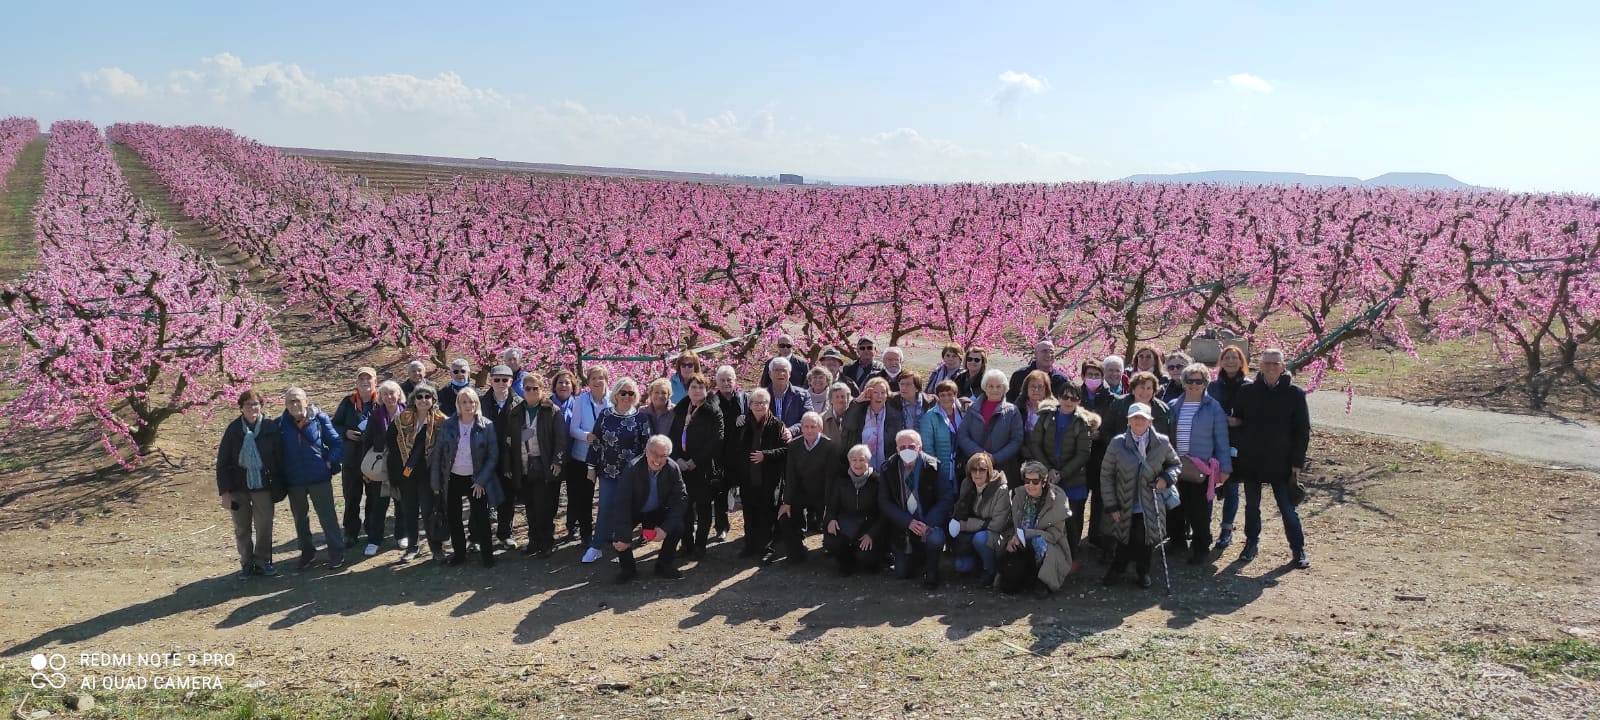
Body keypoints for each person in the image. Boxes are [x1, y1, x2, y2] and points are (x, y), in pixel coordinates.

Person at [1232, 349, 1311, 568]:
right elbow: (1238, 422)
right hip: (1252, 460)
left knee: (1287, 508)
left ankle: (1298, 549)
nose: (1270, 367)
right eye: (1266, 363)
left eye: (1275, 363)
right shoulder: (1246, 391)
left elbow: (1302, 431)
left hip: (1282, 462)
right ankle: (1251, 543)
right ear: (1260, 365)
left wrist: (1297, 464)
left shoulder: (1295, 394)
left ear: (1283, 366)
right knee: (1251, 506)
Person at [1099, 402, 1180, 589]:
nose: (1138, 421)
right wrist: (1111, 505)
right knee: (1123, 537)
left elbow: (1175, 465)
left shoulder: (1162, 442)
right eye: (1135, 418)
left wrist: (1166, 478)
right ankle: (1118, 569)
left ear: (1150, 421)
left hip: (1150, 501)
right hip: (1124, 501)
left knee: (1145, 538)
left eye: (1143, 418)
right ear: (1128, 421)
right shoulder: (1117, 443)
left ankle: (1143, 571)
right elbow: (1106, 475)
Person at [1165, 362, 1233, 563]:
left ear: (1205, 382)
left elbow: (1221, 438)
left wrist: (1225, 468)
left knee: (1199, 511)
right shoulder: (1173, 406)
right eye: (1189, 380)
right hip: (1176, 464)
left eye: (1199, 380)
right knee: (1175, 506)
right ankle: (1177, 541)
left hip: (1200, 467)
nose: (1194, 384)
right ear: (1183, 382)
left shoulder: (1213, 408)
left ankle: (1201, 546)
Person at [1025, 383, 1098, 568]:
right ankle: (1048, 559)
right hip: (1047, 476)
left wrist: (1062, 473)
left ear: (1079, 401)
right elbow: (1035, 443)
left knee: (1073, 521)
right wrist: (1048, 469)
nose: (1068, 401)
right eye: (1065, 397)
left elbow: (1083, 453)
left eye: (1073, 398)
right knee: (1048, 520)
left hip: (1074, 480)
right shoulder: (1046, 417)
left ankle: (1071, 557)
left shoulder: (1082, 422)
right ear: (1058, 397)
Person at [430, 387, 503, 567]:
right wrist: (436, 481)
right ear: (458, 405)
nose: (468, 405)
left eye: (471, 401)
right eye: (464, 402)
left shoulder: (487, 425)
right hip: (453, 477)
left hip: (475, 479)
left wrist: (481, 481)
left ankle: (488, 555)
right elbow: (438, 453)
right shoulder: (448, 425)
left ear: (476, 404)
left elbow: (493, 456)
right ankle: (459, 554)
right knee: (454, 518)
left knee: (481, 518)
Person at [582, 377, 652, 564]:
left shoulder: (641, 418)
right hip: (608, 471)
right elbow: (596, 442)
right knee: (605, 507)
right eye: (623, 392)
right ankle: (596, 546)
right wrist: (591, 467)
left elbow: (647, 446)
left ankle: (622, 542)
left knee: (627, 509)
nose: (627, 396)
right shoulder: (605, 415)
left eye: (631, 393)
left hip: (632, 473)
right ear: (616, 394)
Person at [500, 373, 570, 558]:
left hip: (544, 464)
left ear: (542, 389)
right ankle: (533, 540)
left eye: (535, 388)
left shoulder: (552, 411)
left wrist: (557, 461)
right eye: (527, 388)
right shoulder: (516, 412)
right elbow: (508, 442)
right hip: (523, 466)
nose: (531, 391)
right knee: (529, 506)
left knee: (544, 507)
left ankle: (546, 541)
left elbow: (561, 440)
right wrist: (507, 465)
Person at [216, 390, 284, 579]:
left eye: (255, 404)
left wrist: (280, 485)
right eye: (248, 405)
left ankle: (262, 561)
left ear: (261, 406)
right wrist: (225, 492)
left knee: (264, 525)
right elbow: (222, 462)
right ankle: (246, 563)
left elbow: (279, 458)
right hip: (239, 487)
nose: (252, 408)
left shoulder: (270, 427)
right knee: (241, 527)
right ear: (241, 407)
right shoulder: (233, 429)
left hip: (264, 486)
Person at [277, 386, 345, 571]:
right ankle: (307, 552)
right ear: (285, 404)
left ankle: (336, 551)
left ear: (306, 401)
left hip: (319, 477)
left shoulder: (320, 419)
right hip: (294, 480)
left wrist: (330, 461)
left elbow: (337, 442)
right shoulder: (280, 424)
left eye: (298, 399)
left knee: (327, 517)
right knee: (300, 518)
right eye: (291, 401)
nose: (295, 404)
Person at [607, 435, 688, 582]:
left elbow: (680, 499)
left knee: (677, 527)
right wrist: (624, 538)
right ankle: (628, 569)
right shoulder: (632, 469)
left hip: (657, 510)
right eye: (654, 454)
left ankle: (663, 566)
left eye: (663, 456)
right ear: (646, 451)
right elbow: (622, 503)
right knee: (619, 535)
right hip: (634, 510)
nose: (658, 460)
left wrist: (664, 528)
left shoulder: (672, 468)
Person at [879, 429, 952, 589]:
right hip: (903, 527)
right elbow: (884, 502)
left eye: (911, 446)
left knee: (935, 538)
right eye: (902, 447)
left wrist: (926, 523)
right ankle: (916, 557)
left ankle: (932, 570)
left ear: (919, 447)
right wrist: (908, 522)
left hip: (929, 523)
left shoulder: (933, 466)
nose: (907, 450)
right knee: (902, 573)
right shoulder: (887, 468)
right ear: (897, 449)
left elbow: (946, 498)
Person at [387, 383, 446, 564]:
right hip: (406, 474)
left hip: (429, 474)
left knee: (429, 511)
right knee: (409, 511)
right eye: (419, 397)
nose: (423, 400)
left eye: (428, 397)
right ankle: (413, 547)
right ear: (413, 399)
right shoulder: (401, 418)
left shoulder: (441, 421)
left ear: (433, 400)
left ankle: (436, 548)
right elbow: (391, 444)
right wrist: (397, 473)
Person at [670, 373, 725, 556]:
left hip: (702, 467)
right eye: (693, 387)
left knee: (703, 507)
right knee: (685, 507)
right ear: (688, 389)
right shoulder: (681, 409)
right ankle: (687, 544)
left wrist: (696, 461)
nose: (696, 390)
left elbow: (717, 439)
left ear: (706, 390)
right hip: (682, 467)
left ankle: (700, 544)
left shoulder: (713, 411)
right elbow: (673, 436)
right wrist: (677, 458)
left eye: (701, 387)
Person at [776, 412, 839, 564]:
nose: (809, 430)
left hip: (823, 493)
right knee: (785, 515)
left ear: (820, 428)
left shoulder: (830, 446)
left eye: (813, 426)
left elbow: (831, 479)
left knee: (831, 525)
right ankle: (797, 548)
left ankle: (828, 544)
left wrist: (830, 509)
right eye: (806, 426)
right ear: (801, 428)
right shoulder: (793, 445)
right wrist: (787, 501)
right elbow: (790, 476)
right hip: (802, 492)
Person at [735, 388, 789, 562]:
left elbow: (785, 450)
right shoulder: (742, 424)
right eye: (756, 403)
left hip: (769, 478)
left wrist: (765, 454)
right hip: (747, 477)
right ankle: (749, 545)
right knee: (749, 513)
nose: (759, 406)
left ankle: (767, 547)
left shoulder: (777, 425)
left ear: (769, 404)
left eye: (763, 402)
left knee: (767, 513)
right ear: (749, 405)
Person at [1008, 460, 1074, 595]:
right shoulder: (1019, 496)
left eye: (1035, 482)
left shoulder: (1057, 500)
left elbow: (1054, 535)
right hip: (1022, 544)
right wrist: (1011, 539)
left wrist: (1027, 533)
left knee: (1038, 541)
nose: (1030, 485)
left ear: (1044, 482)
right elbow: (1012, 524)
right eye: (1027, 481)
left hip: (1050, 547)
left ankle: (1042, 581)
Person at [1208, 345, 1250, 550]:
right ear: (1221, 362)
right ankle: (1201, 528)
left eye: (1235, 357)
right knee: (1207, 484)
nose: (1231, 361)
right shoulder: (1213, 386)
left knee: (1232, 487)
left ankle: (1226, 529)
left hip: (1237, 442)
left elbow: (1254, 415)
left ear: (1242, 361)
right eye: (1227, 358)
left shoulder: (1249, 386)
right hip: (1214, 440)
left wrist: (1240, 422)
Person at [332, 367, 379, 555]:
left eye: (369, 379)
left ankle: (371, 529)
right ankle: (350, 532)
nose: (365, 382)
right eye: (362, 379)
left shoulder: (380, 401)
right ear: (356, 383)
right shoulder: (348, 402)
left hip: (373, 458)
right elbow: (333, 424)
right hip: (351, 459)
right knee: (351, 497)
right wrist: (345, 433)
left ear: (375, 381)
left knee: (374, 498)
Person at [947, 453, 1011, 588]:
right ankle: (978, 565)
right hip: (974, 533)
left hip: (995, 535)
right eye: (973, 469)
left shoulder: (1001, 489)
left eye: (982, 469)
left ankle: (991, 570)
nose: (977, 473)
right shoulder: (966, 484)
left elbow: (997, 524)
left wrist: (965, 525)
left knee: (980, 538)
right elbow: (959, 511)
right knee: (961, 566)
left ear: (989, 470)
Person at [357, 380, 405, 556]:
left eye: (392, 393)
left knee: (401, 503)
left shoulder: (408, 414)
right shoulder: (375, 416)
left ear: (399, 394)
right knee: (378, 504)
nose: (389, 397)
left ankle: (401, 534)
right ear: (381, 397)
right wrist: (366, 469)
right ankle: (374, 540)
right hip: (380, 466)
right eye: (385, 394)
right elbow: (367, 442)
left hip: (401, 466)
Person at [565, 365, 611, 545]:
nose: (598, 381)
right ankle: (586, 533)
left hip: (607, 457)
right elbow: (573, 429)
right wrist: (587, 437)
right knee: (584, 496)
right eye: (594, 378)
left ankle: (606, 530)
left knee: (608, 496)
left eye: (601, 378)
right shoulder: (580, 400)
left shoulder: (613, 400)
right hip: (583, 456)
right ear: (588, 382)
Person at [823, 444, 884, 575]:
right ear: (849, 461)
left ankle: (867, 557)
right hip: (846, 525)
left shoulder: (878, 481)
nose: (858, 464)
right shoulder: (841, 480)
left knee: (867, 559)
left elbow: (883, 514)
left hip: (868, 526)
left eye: (862, 460)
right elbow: (832, 506)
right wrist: (831, 519)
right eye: (854, 460)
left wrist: (871, 534)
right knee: (831, 542)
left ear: (868, 461)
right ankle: (846, 560)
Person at [482, 365, 524, 552]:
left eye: (504, 380)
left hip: (509, 458)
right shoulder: (480, 402)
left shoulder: (519, 403)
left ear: (511, 381)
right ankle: (478, 536)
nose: (500, 383)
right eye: (496, 379)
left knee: (508, 497)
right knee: (481, 497)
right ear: (490, 380)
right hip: (485, 456)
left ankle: (505, 533)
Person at [956, 369, 1025, 481]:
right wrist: (981, 456)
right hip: (976, 467)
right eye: (991, 386)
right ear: (985, 387)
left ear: (1004, 388)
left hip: (1003, 469)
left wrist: (995, 458)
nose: (994, 390)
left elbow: (1016, 440)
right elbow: (963, 434)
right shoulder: (973, 408)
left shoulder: (1012, 411)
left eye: (999, 386)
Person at [1080, 358, 1120, 554]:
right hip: (1080, 455)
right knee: (1079, 499)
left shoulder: (1111, 399)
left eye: (1097, 375)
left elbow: (1114, 427)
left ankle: (1097, 536)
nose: (1093, 378)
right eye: (1090, 375)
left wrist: (1101, 434)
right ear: (1083, 376)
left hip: (1102, 455)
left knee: (1100, 498)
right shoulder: (1075, 395)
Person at [711, 365, 747, 540]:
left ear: (735, 381)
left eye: (729, 380)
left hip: (741, 453)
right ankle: (721, 527)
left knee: (747, 491)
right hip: (721, 454)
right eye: (722, 380)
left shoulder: (743, 398)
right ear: (717, 382)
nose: (726, 383)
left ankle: (750, 525)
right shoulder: (712, 401)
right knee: (720, 493)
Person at [842, 377, 904, 468]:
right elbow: (848, 425)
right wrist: (857, 402)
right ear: (868, 394)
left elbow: (895, 442)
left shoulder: (895, 415)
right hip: (861, 466)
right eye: (875, 392)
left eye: (883, 393)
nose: (879, 396)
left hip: (887, 466)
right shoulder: (859, 411)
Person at [918, 380, 966, 492]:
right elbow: (927, 447)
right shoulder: (929, 417)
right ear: (938, 397)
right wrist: (935, 469)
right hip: (942, 467)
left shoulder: (963, 412)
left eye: (950, 394)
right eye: (942, 395)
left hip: (962, 464)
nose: (946, 398)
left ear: (956, 395)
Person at [1007, 340, 1073, 402]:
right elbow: (1011, 401)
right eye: (1044, 351)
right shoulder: (1020, 375)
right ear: (1035, 354)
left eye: (1051, 352)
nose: (1048, 355)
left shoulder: (1061, 379)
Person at [765, 357, 808, 433]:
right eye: (777, 370)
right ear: (770, 374)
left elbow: (807, 419)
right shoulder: (762, 396)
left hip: (793, 441)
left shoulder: (802, 395)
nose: (781, 373)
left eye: (784, 370)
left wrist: (791, 431)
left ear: (790, 374)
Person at [1015, 370, 1052, 453]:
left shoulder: (1054, 410)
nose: (1036, 389)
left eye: (1040, 386)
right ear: (1026, 389)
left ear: (1046, 389)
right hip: (1021, 454)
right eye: (1032, 386)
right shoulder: (1018, 408)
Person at [891, 370, 931, 439]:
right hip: (901, 444)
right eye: (901, 384)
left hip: (924, 444)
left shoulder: (930, 402)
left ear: (917, 388)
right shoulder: (892, 401)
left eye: (908, 384)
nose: (903, 388)